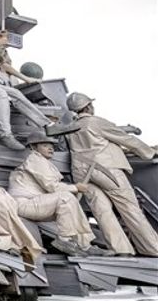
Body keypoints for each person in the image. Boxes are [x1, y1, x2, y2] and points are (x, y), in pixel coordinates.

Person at [64, 92, 158, 256]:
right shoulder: (96, 122)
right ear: (88, 106)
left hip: (81, 173)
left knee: (102, 211)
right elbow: (127, 139)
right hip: (106, 169)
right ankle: (152, 248)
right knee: (129, 208)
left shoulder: (70, 127)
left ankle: (121, 249)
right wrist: (149, 153)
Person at [8, 130, 101, 256]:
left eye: (51, 146)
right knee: (65, 198)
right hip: (24, 204)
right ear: (33, 147)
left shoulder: (45, 163)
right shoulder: (35, 159)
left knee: (73, 206)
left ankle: (85, 245)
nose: (50, 148)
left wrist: (73, 188)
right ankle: (64, 240)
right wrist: (75, 187)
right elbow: (52, 187)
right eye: (45, 145)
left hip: (36, 202)